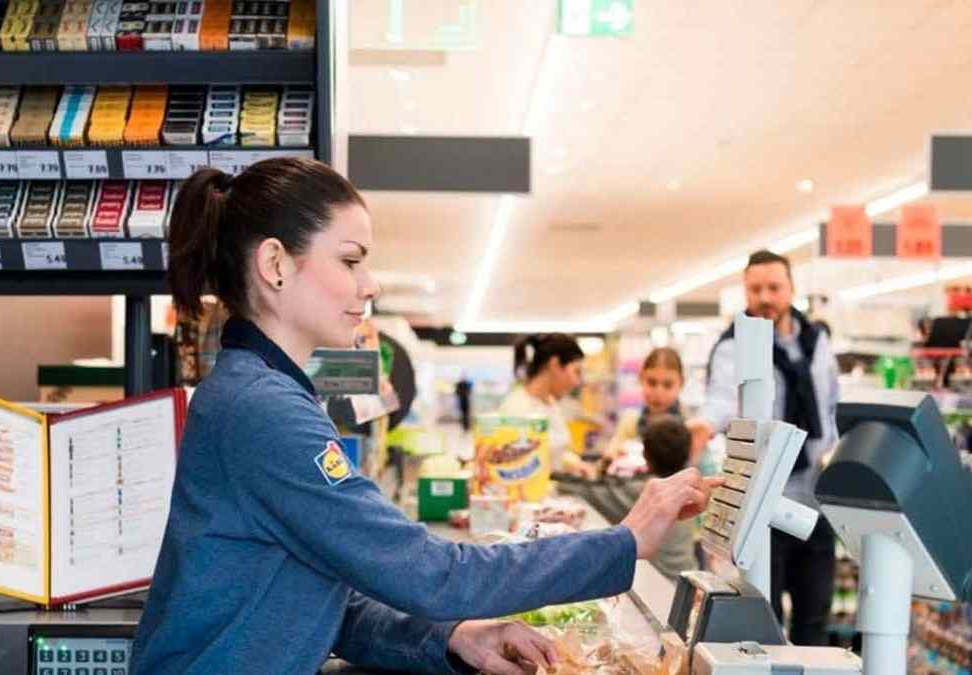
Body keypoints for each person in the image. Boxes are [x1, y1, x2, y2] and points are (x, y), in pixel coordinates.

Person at [130, 158, 722, 675]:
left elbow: (317, 598)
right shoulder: (261, 410)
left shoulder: (262, 393)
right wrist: (623, 543)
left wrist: (453, 638)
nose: (371, 284)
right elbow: (434, 574)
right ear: (276, 265)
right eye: (351, 260)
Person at [688, 249, 840, 647]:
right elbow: (720, 401)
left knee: (814, 621)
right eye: (756, 289)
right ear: (745, 291)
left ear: (791, 288)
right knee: (764, 621)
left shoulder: (817, 340)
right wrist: (701, 426)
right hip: (760, 502)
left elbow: (831, 406)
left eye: (774, 287)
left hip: (816, 496)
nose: (766, 297)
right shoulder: (733, 345)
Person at [592, 416, 699, 579]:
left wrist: (603, 464)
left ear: (645, 454)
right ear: (689, 452)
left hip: (655, 585)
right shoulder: (690, 489)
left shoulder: (644, 491)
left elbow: (592, 493)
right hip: (688, 581)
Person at [498, 334, 585, 473]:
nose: (577, 382)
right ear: (555, 365)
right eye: (576, 371)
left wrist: (574, 464)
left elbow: (552, 452)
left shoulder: (551, 403)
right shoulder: (518, 408)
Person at [606, 347, 686, 460]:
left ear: (681, 383)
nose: (658, 393)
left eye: (667, 385)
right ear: (641, 378)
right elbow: (608, 458)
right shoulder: (630, 422)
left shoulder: (689, 427)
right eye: (652, 383)